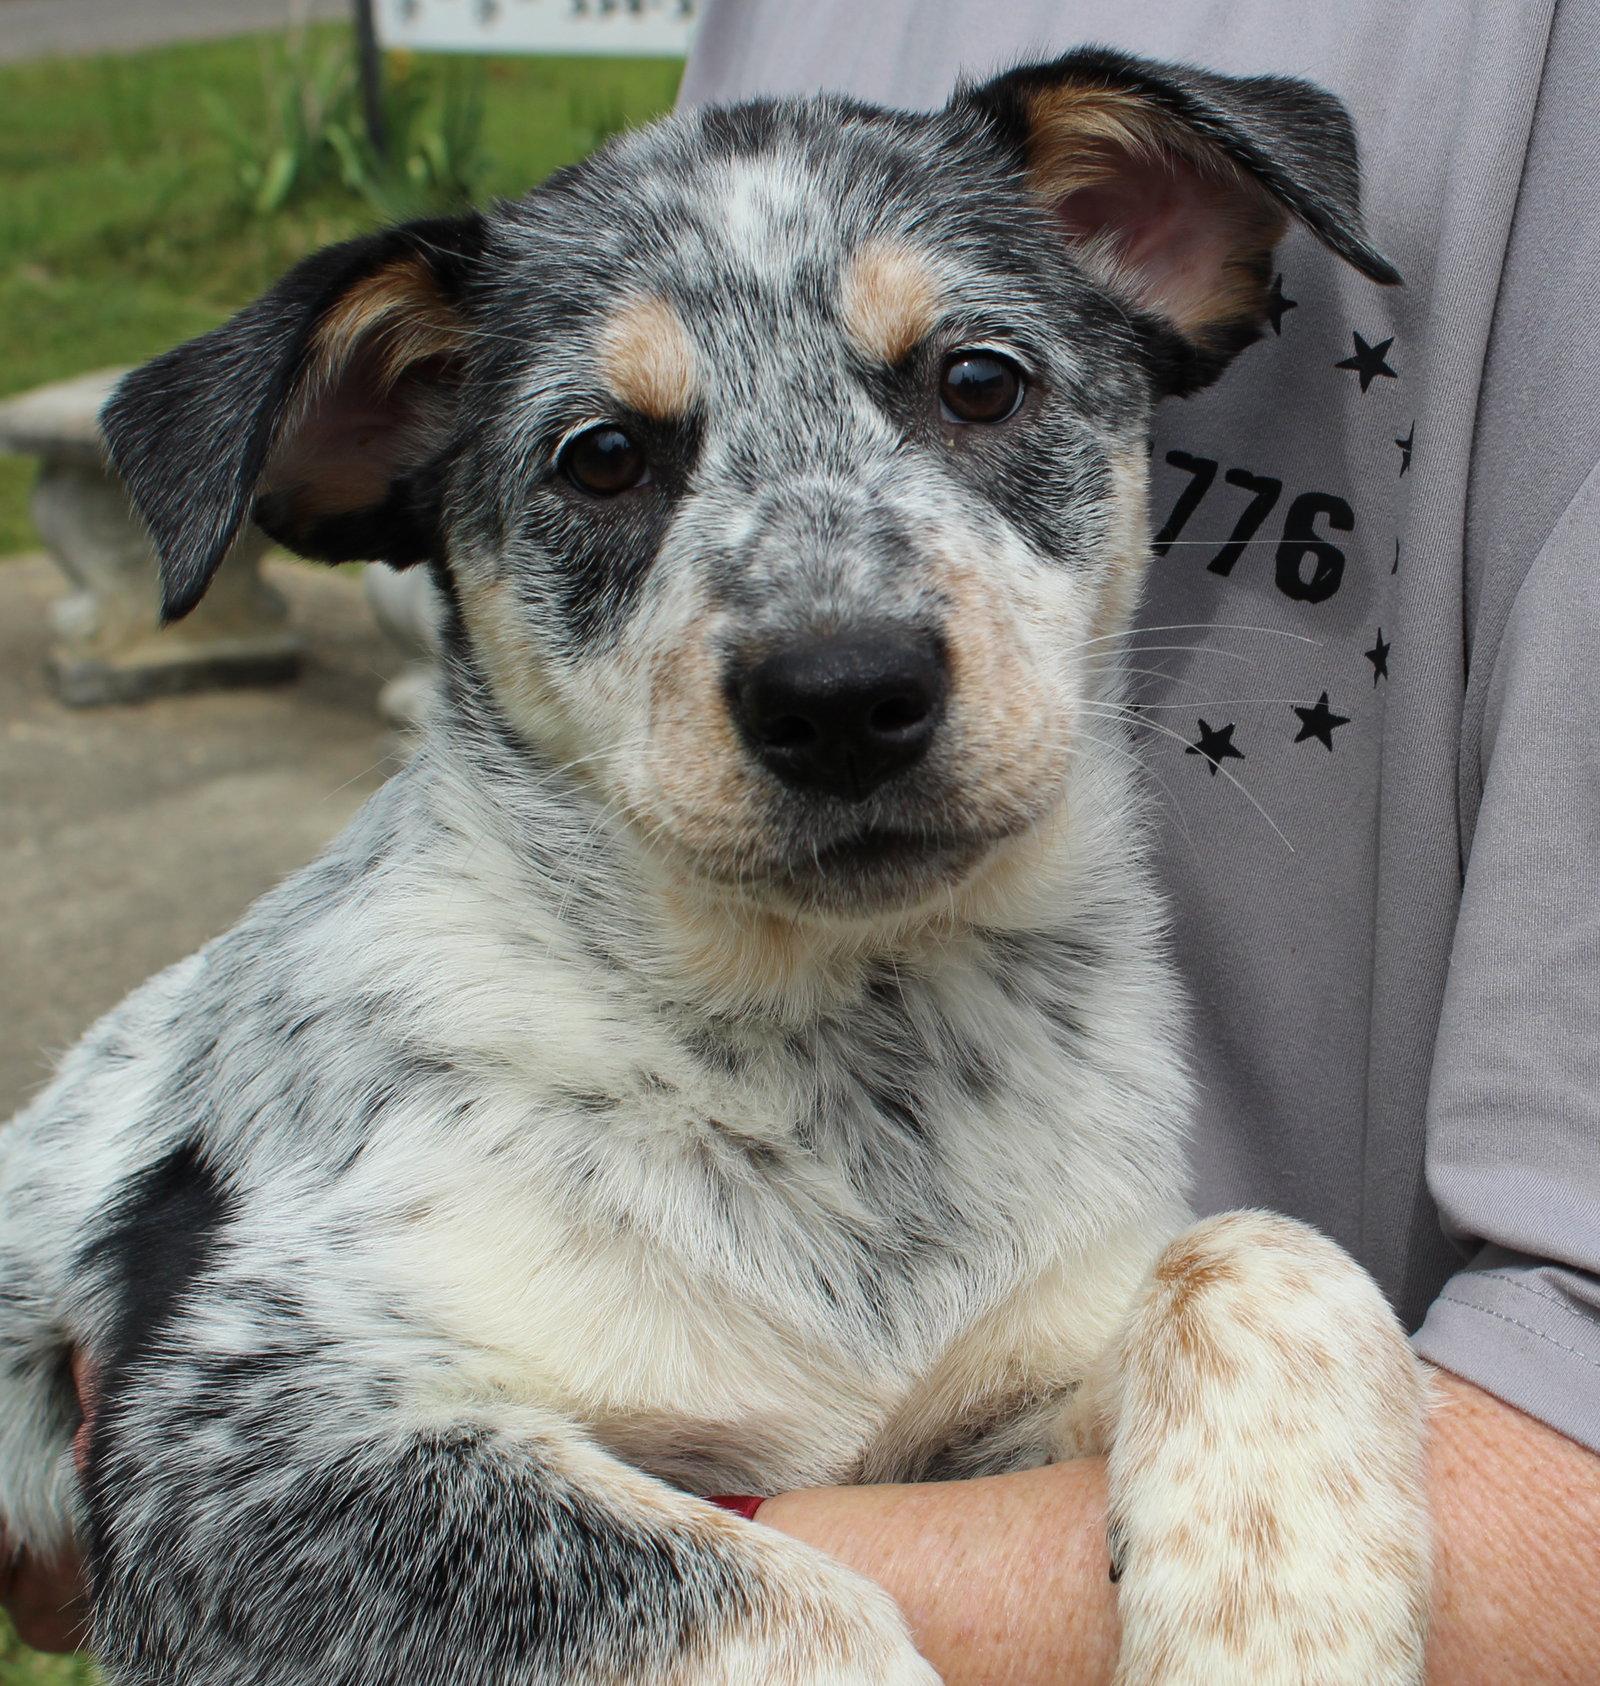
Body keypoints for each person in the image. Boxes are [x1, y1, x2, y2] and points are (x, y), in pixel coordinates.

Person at [8, 3, 1600, 1678]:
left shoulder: (1098, 1089)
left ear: (1164, 256)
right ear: (378, 461)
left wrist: (1278, 1337)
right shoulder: (446, 1075)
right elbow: (202, 1517)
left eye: (974, 386)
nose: (834, 640)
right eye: (607, 459)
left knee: (1260, 1299)